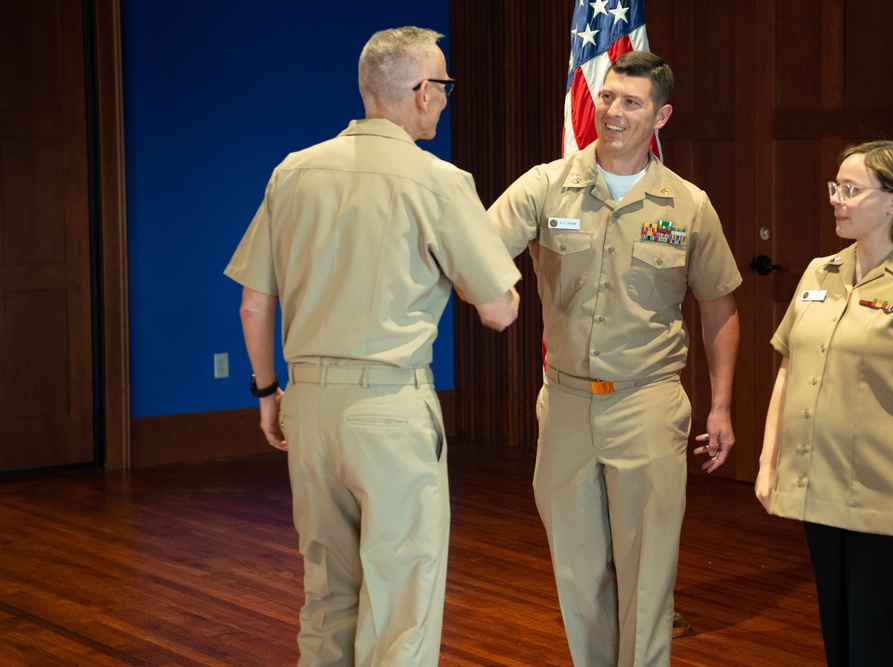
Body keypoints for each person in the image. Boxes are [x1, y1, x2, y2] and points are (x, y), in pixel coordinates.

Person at [224, 26, 521, 666]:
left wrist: (267, 392)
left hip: (306, 409)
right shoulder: (440, 181)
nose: (445, 98)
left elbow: (253, 302)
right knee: (401, 607)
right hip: (391, 414)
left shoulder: (292, 172)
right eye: (442, 85)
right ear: (419, 92)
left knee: (327, 592)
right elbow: (498, 311)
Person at [489, 51, 741, 666]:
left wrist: (722, 406)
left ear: (661, 116)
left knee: (648, 572)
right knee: (577, 571)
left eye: (632, 102)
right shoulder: (545, 185)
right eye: (607, 97)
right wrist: (492, 290)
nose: (614, 112)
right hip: (568, 403)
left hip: (648, 402)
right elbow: (477, 248)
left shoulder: (688, 205)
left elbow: (719, 307)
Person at [755, 140, 893, 666]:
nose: (837, 199)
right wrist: (770, 463)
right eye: (836, 188)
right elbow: (788, 373)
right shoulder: (818, 273)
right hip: (822, 494)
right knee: (841, 640)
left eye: (851, 190)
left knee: (881, 647)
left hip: (892, 505)